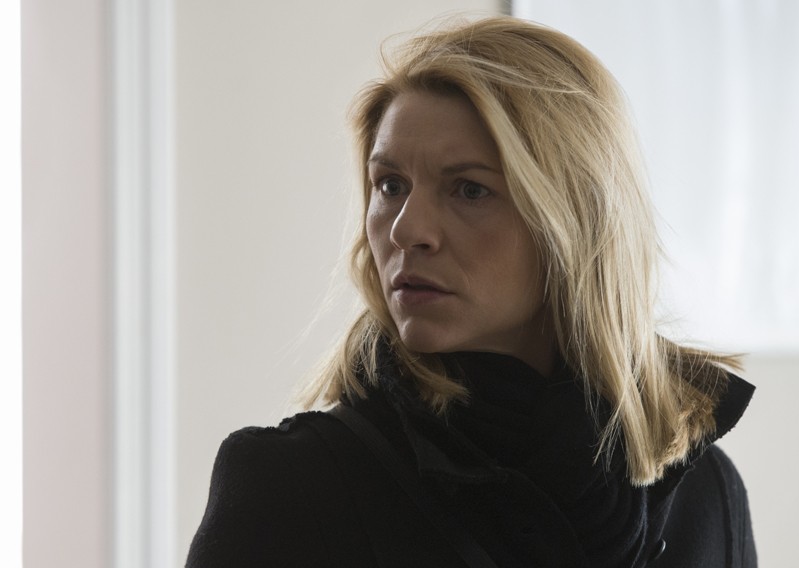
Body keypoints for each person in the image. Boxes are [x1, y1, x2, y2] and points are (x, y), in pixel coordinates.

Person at [187, 16, 756, 568]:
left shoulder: (705, 495)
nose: (407, 229)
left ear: (575, 222)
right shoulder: (290, 487)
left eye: (469, 190)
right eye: (390, 185)